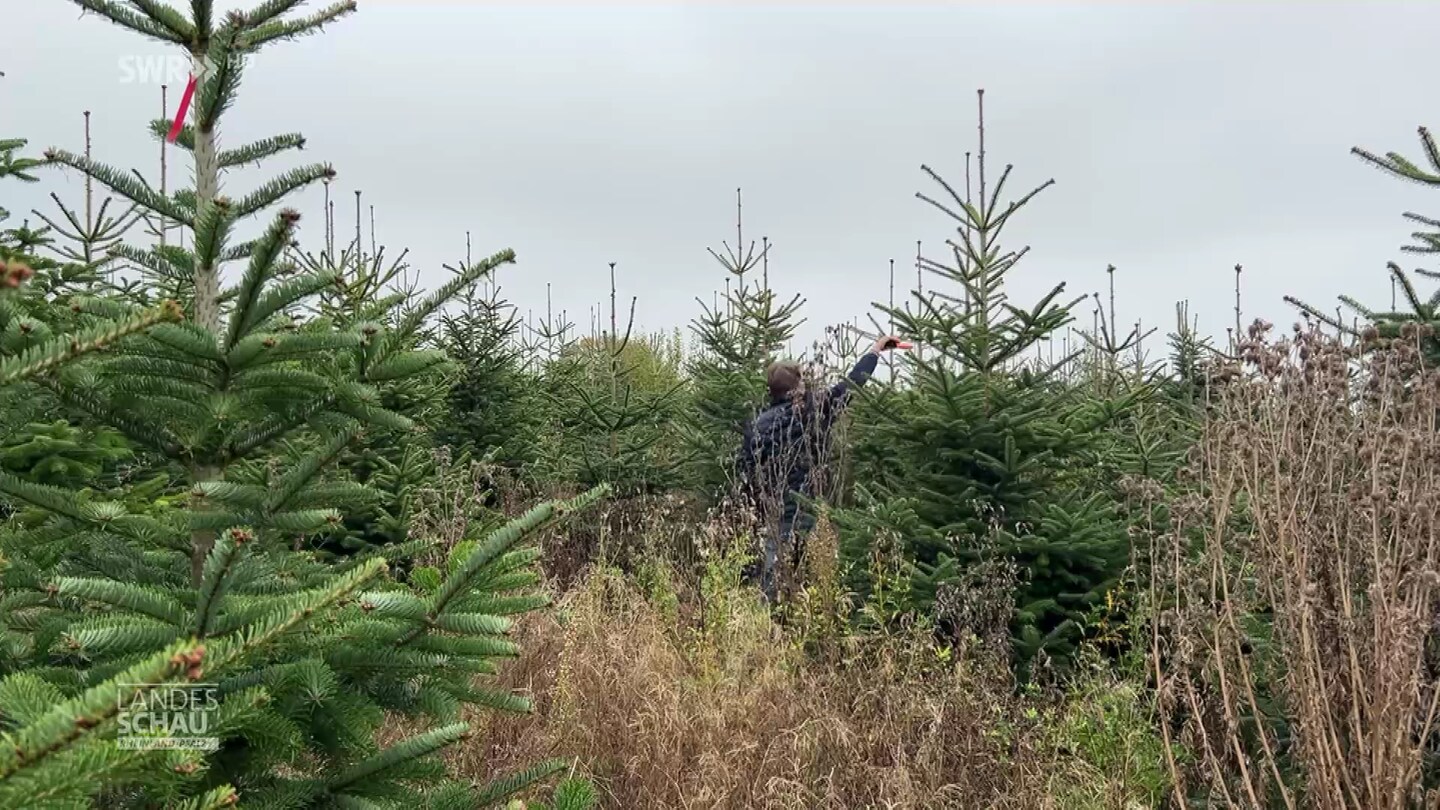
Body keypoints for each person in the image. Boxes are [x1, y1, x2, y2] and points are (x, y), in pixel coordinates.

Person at [738, 334, 907, 603]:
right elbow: (852, 384)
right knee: (814, 568)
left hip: (772, 508)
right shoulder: (815, 410)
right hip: (808, 504)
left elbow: (745, 469)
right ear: (798, 387)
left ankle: (769, 622)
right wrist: (875, 350)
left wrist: (756, 505)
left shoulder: (759, 424)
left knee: (774, 566)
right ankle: (811, 616)